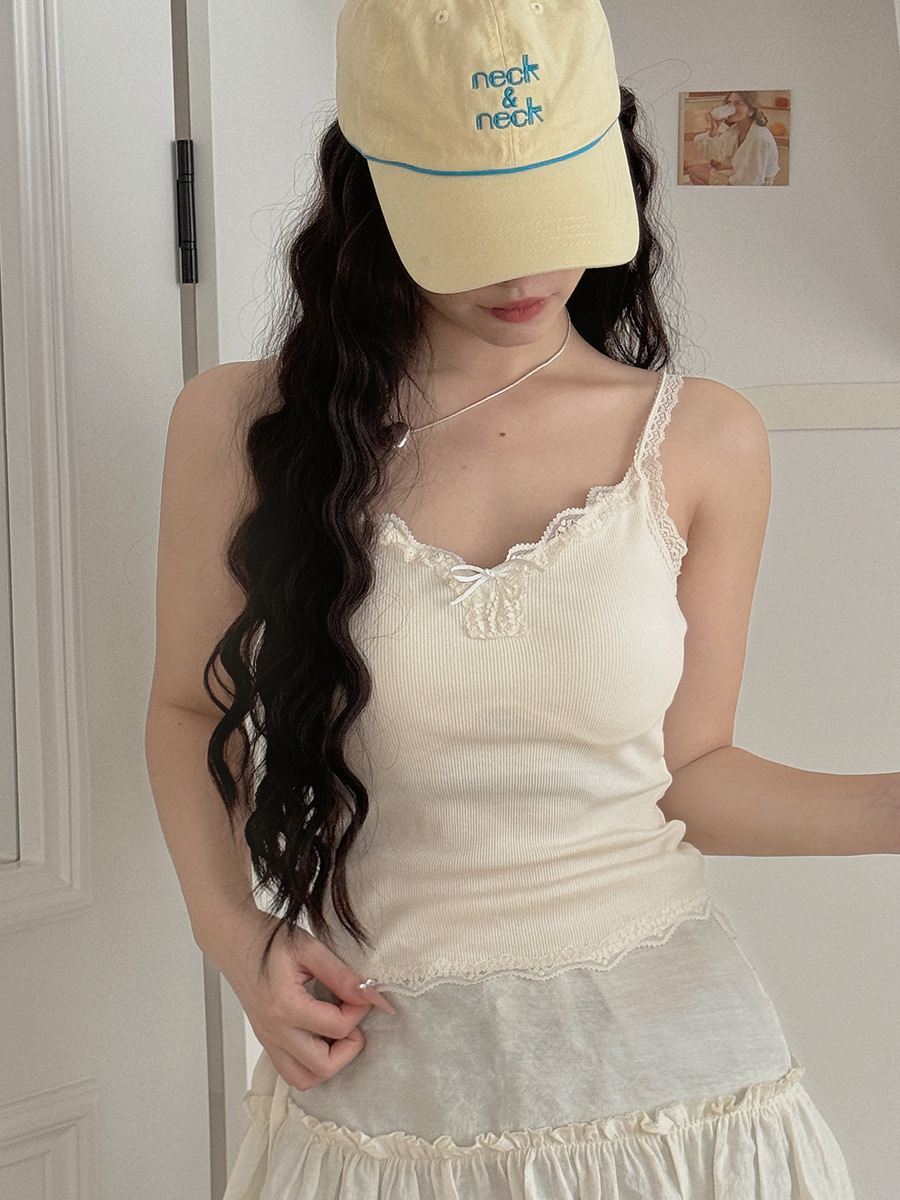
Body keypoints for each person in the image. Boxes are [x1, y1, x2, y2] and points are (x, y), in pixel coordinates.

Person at [145, 2, 898, 1196]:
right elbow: (190, 711)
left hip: (680, 1095)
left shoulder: (704, 438)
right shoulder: (243, 428)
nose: (525, 270)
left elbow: (691, 772)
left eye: (555, 213)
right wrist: (233, 933)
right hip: (389, 1085)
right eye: (477, 227)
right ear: (372, 194)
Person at [687, 91, 781, 185]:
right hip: (740, 178)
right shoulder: (735, 130)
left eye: (737, 103)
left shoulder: (758, 137)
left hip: (753, 187)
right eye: (729, 103)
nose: (731, 108)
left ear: (750, 111)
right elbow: (715, 152)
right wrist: (714, 128)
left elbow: (752, 179)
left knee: (696, 172)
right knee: (695, 170)